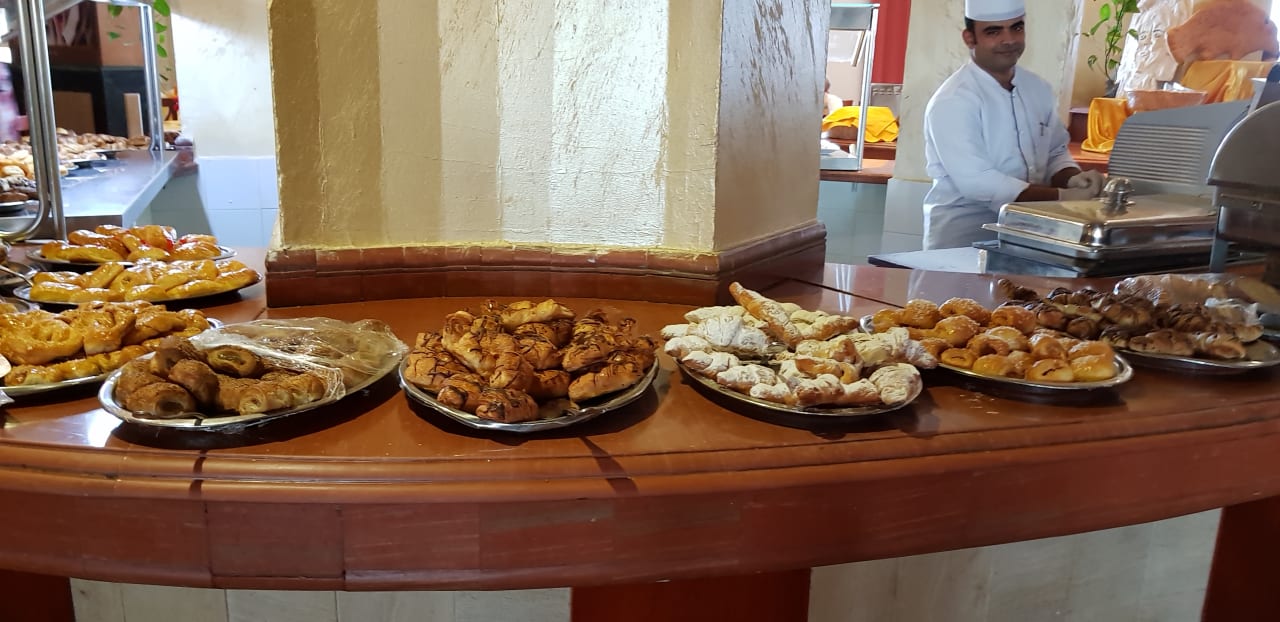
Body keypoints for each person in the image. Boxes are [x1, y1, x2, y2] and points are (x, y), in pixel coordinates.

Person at [921, 0, 1105, 250]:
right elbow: (978, 182)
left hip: (1030, 233)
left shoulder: (1038, 89)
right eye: (993, 31)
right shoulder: (953, 100)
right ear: (969, 38)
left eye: (1016, 28)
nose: (1008, 40)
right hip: (963, 240)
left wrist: (1073, 178)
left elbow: (1055, 153)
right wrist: (1062, 197)